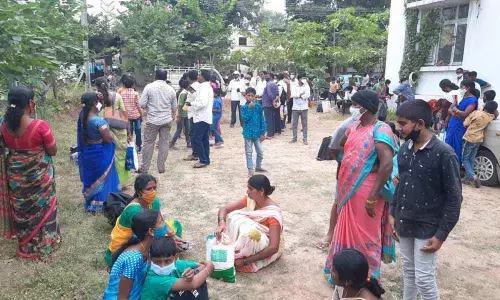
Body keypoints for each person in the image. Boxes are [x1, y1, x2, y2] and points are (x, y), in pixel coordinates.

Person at [392, 99, 462, 300]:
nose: (399, 128)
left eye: (403, 123)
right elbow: (401, 185)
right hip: (404, 221)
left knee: (424, 278)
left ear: (420, 124)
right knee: (408, 273)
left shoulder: (444, 154)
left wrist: (441, 234)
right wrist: (391, 213)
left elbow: (455, 198)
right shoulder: (405, 149)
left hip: (428, 225)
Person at [324, 90, 398, 281]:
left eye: (357, 105)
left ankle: (367, 277)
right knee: (346, 228)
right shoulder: (354, 126)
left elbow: (387, 163)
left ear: (366, 108)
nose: (354, 109)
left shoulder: (381, 129)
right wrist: (354, 161)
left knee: (366, 232)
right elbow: (341, 146)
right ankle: (343, 273)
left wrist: (373, 196)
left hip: (368, 190)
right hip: (348, 188)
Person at [0, 87, 61, 261]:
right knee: (43, 208)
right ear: (30, 103)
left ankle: (26, 244)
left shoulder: (3, 125)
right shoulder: (40, 126)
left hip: (16, 178)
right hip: (39, 178)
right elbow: (53, 150)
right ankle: (45, 243)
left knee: (22, 210)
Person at [104, 174, 183, 267]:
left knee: (176, 225)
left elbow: (160, 221)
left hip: (149, 233)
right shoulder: (134, 210)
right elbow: (146, 236)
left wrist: (173, 236)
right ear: (139, 192)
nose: (153, 192)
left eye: (154, 188)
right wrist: (170, 243)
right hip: (131, 242)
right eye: (149, 189)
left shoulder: (155, 201)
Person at [316, 103, 363, 249]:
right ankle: (331, 233)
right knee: (338, 201)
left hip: (366, 173)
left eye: (358, 105)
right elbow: (334, 148)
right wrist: (344, 162)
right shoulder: (345, 126)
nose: (355, 108)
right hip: (346, 171)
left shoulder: (377, 127)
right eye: (355, 105)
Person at [215, 174, 283, 272]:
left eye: (250, 189)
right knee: (234, 217)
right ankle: (239, 249)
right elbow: (225, 209)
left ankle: (241, 253)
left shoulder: (273, 215)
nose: (247, 191)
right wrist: (221, 223)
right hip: (250, 240)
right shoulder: (251, 200)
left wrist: (245, 261)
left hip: (263, 245)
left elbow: (273, 248)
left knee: (248, 230)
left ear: (261, 191)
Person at [103, 210, 162, 300]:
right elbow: (122, 297)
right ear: (151, 231)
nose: (164, 225)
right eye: (161, 222)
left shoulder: (148, 246)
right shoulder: (134, 258)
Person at [78, 92, 120, 212]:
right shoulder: (98, 122)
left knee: (94, 177)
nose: (100, 104)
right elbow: (107, 139)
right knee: (103, 177)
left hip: (88, 152)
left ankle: (92, 201)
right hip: (100, 153)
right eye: (98, 102)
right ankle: (102, 202)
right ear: (94, 104)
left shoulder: (82, 116)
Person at [140, 237, 214, 300]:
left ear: (175, 258)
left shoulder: (177, 264)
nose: (162, 266)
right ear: (150, 259)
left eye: (167, 261)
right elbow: (193, 284)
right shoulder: (153, 280)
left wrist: (193, 272)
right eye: (157, 262)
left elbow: (201, 266)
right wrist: (209, 268)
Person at [138, 69, 177, 174]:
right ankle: (161, 167)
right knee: (164, 143)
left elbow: (142, 104)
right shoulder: (171, 89)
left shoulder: (149, 87)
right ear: (166, 77)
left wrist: (149, 107)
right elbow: (174, 106)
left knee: (148, 143)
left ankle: (145, 168)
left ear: (155, 76)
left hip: (153, 120)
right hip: (166, 120)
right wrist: (173, 116)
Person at [96, 77, 131, 187]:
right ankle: (123, 182)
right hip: (120, 131)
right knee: (121, 157)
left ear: (97, 87)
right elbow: (125, 114)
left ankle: (109, 182)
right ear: (107, 84)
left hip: (104, 130)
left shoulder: (96, 98)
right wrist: (129, 132)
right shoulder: (117, 96)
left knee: (108, 156)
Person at [462, 101, 498, 187]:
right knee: (472, 158)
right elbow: (496, 113)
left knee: (465, 159)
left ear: (485, 106)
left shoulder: (476, 113)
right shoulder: (491, 116)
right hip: (479, 139)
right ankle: (468, 177)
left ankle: (473, 177)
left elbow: (465, 124)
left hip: (470, 138)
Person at [445, 79, 479, 164]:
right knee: (448, 143)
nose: (460, 89)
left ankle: (456, 166)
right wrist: (455, 112)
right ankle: (447, 164)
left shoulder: (473, 100)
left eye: (461, 87)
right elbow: (450, 109)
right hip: (452, 124)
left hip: (460, 125)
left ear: (467, 88)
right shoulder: (460, 97)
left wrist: (455, 111)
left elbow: (465, 115)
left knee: (457, 146)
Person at [189, 70, 214, 168]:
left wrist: (192, 104)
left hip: (202, 117)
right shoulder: (204, 87)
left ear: (202, 77)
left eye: (199, 75)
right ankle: (205, 159)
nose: (197, 76)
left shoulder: (205, 88)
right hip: (203, 116)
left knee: (196, 138)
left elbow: (202, 103)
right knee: (203, 139)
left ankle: (203, 159)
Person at [240, 87, 267, 177]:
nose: (250, 97)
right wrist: (249, 109)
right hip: (248, 133)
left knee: (260, 151)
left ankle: (258, 166)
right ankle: (250, 169)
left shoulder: (258, 107)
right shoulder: (243, 107)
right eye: (248, 95)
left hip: (257, 133)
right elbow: (244, 119)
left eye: (252, 96)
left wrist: (263, 133)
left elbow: (262, 120)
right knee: (249, 152)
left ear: (255, 97)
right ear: (245, 96)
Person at [120, 75, 143, 153]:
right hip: (136, 116)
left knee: (129, 131)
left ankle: (130, 145)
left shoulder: (122, 93)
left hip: (127, 116)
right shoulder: (135, 93)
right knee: (138, 131)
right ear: (133, 85)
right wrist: (141, 114)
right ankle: (139, 146)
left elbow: (121, 106)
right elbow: (138, 105)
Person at [184, 70, 200, 162]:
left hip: (193, 113)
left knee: (192, 133)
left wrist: (187, 105)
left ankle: (195, 153)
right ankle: (196, 152)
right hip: (194, 112)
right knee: (194, 133)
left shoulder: (193, 87)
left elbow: (192, 99)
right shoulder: (198, 85)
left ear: (189, 78)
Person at [170, 80, 191, 149]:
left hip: (186, 114)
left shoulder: (186, 93)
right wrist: (179, 116)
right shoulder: (183, 94)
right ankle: (171, 143)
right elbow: (180, 105)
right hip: (182, 114)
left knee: (187, 129)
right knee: (179, 130)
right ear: (187, 86)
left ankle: (188, 143)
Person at [290, 75, 311, 145]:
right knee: (294, 124)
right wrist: (300, 94)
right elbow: (292, 95)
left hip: (304, 107)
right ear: (299, 79)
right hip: (295, 107)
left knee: (304, 124)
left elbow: (307, 96)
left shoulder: (307, 87)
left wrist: (299, 96)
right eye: (302, 78)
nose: (303, 80)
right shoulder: (294, 86)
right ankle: (294, 138)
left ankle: (305, 139)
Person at [261, 72, 279, 139]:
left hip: (267, 103)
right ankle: (272, 133)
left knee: (268, 119)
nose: (266, 77)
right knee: (271, 119)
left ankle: (269, 134)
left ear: (271, 77)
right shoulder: (275, 84)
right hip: (272, 104)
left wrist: (273, 100)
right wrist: (275, 100)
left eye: (267, 76)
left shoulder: (268, 84)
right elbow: (277, 94)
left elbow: (269, 94)